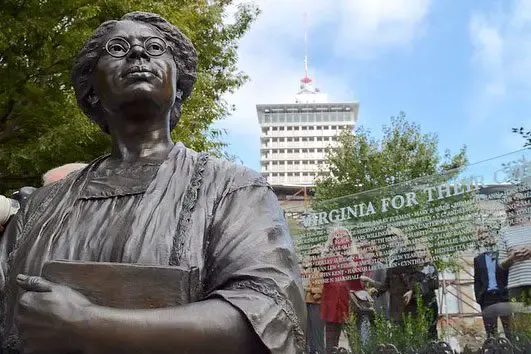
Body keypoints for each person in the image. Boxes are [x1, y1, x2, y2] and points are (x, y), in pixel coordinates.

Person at [0, 12, 305, 354]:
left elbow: (272, 315)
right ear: (92, 93)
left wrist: (89, 324)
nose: (137, 53)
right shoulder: (38, 209)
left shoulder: (234, 189)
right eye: (117, 48)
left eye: (155, 47)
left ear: (178, 89)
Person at [320, 228, 365, 354]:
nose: (341, 240)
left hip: (350, 303)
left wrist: (347, 257)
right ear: (333, 241)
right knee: (331, 341)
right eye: (337, 238)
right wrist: (327, 252)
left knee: (354, 339)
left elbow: (357, 272)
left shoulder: (355, 256)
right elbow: (321, 269)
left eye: (344, 237)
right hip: (332, 304)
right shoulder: (328, 258)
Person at [474, 236, 511, 338]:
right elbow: (477, 280)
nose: (486, 238)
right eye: (482, 236)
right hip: (487, 298)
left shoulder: (504, 256)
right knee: (491, 332)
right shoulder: (478, 259)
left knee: (509, 329)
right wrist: (478, 297)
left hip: (503, 296)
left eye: (488, 234)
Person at [303, 245, 325, 354]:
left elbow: (322, 290)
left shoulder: (324, 271)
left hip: (318, 304)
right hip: (309, 304)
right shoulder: (312, 270)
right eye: (312, 255)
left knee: (318, 333)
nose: (313, 258)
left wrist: (309, 288)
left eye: (316, 255)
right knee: (310, 333)